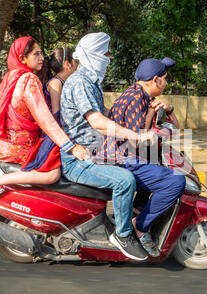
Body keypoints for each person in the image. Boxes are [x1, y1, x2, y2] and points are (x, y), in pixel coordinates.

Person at [60, 32, 155, 261]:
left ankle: (129, 220)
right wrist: (137, 136)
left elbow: (105, 117)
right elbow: (97, 122)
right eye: (105, 52)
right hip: (79, 159)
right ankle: (122, 234)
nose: (109, 57)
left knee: (142, 166)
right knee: (125, 180)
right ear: (93, 54)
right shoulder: (81, 83)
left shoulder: (91, 83)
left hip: (95, 153)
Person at [0, 37, 88, 202]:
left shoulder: (9, 78)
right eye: (36, 54)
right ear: (23, 58)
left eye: (41, 54)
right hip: (17, 147)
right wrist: (71, 147)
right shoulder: (28, 80)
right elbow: (45, 120)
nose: (41, 58)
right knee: (52, 174)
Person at [101, 57, 186, 257]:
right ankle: (139, 227)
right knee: (175, 182)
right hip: (122, 161)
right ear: (156, 80)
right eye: (165, 79)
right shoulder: (136, 100)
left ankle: (138, 211)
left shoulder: (139, 95)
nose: (166, 83)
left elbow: (176, 127)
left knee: (156, 163)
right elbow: (137, 139)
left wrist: (168, 109)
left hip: (127, 157)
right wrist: (150, 113)